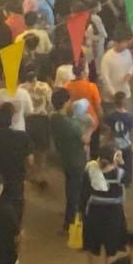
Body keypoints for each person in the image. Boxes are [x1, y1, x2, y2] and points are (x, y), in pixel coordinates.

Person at [0, 103, 34, 226]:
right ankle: (14, 232)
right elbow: (30, 160)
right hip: (16, 179)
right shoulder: (23, 137)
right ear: (12, 119)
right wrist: (27, 174)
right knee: (16, 208)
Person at [84, 139, 129, 264]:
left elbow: (83, 192)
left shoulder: (90, 170)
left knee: (92, 247)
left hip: (93, 215)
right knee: (110, 252)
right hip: (114, 216)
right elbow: (126, 185)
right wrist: (121, 162)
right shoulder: (120, 173)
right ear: (113, 159)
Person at [50, 89, 92, 233]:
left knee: (70, 188)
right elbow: (85, 140)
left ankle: (70, 214)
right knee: (76, 192)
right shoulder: (70, 124)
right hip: (77, 160)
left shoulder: (53, 118)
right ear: (66, 102)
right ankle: (70, 224)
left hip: (65, 158)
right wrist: (91, 128)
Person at [99, 36, 133, 104]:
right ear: (116, 43)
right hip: (111, 96)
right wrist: (113, 93)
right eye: (124, 43)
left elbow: (131, 66)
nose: (126, 45)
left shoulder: (127, 52)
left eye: (126, 42)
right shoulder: (107, 57)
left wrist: (129, 73)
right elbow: (105, 77)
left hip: (125, 92)